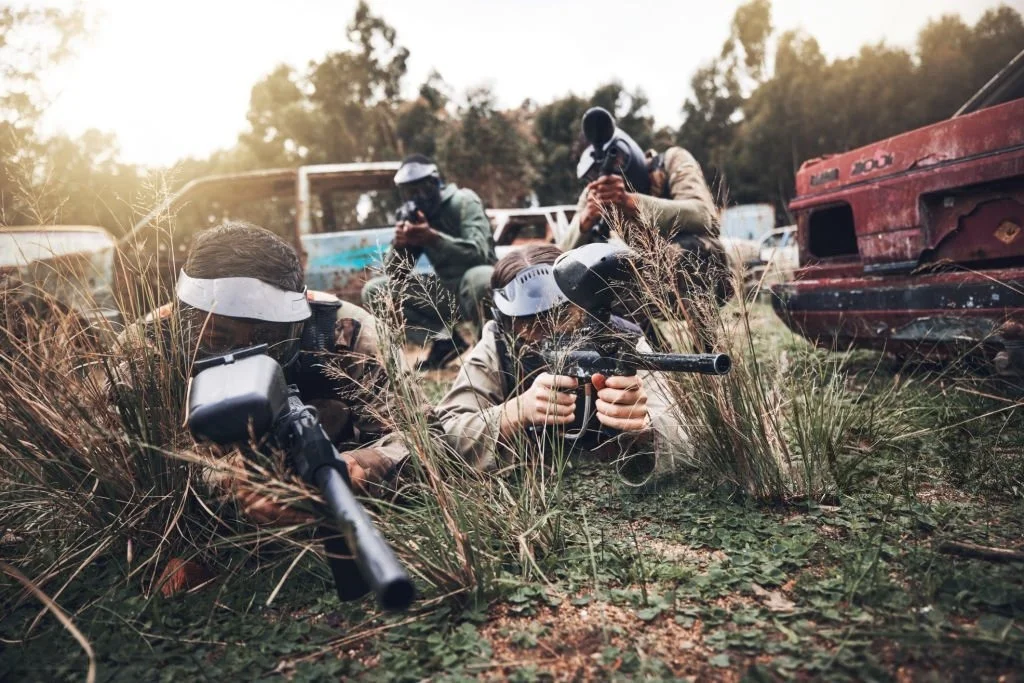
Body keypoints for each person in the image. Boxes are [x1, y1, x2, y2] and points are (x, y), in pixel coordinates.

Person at [113, 222, 408, 595]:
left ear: (297, 323)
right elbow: (118, 456)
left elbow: (421, 436)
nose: (238, 355)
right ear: (181, 314)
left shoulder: (349, 332)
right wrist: (218, 482)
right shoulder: (144, 348)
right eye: (217, 337)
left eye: (267, 339)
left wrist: (361, 468)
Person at [433, 244, 690, 480]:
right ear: (506, 322)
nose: (549, 331)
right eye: (530, 322)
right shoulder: (497, 344)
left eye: (561, 314)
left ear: (583, 304)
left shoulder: (621, 340)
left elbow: (684, 439)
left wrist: (644, 427)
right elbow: (444, 436)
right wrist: (513, 413)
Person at [559, 108, 732, 347]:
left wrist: (631, 202)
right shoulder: (595, 191)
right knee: (599, 283)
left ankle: (709, 354)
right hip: (647, 287)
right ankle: (656, 358)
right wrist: (587, 218)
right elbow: (561, 257)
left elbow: (705, 216)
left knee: (685, 250)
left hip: (707, 275)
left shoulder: (672, 160)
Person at [361, 154, 497, 370]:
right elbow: (395, 272)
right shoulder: (415, 216)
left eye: (421, 188)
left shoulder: (463, 201)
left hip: (480, 286)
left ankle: (490, 349)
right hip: (446, 294)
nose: (417, 196)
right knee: (375, 291)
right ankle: (445, 342)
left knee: (480, 278)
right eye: (409, 192)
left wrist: (433, 238)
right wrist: (400, 244)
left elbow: (479, 253)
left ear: (435, 183)